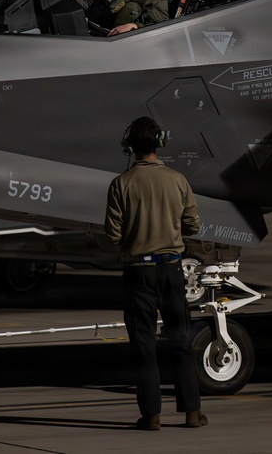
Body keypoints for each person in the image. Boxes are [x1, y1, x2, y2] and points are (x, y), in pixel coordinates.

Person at [104, 116, 207, 431]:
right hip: (172, 268)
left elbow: (113, 236)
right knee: (180, 338)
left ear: (130, 147)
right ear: (159, 144)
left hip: (138, 272)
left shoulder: (121, 184)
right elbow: (193, 225)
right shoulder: (178, 180)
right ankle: (191, 412)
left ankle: (151, 415)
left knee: (144, 343)